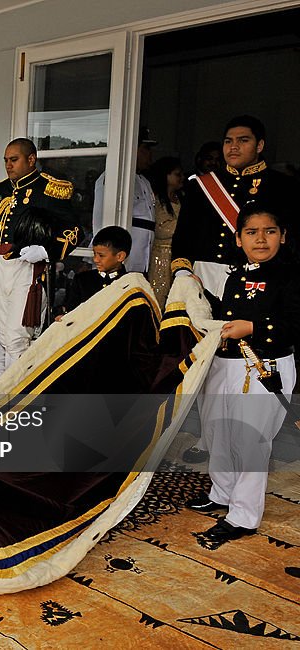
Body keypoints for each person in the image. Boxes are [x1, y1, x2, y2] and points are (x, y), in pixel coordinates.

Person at [186, 205, 299, 543]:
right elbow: (224, 312)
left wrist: (254, 327)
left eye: (269, 231)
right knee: (218, 432)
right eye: (251, 232)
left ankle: (244, 516)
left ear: (283, 236)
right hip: (225, 364)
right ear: (238, 239)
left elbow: (295, 325)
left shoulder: (291, 274)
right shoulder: (237, 273)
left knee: (250, 440)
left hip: (263, 365)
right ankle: (221, 494)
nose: (260, 239)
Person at [0, 137, 78, 376]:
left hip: (28, 269)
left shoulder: (48, 189)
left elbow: (74, 230)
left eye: (14, 159)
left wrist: (47, 251)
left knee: (18, 337)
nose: (8, 165)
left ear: (31, 159)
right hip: (0, 267)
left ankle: (16, 399)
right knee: (1, 334)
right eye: (6, 160)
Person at [171, 115, 299, 300]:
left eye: (243, 140)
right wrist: (183, 272)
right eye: (228, 141)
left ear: (259, 146)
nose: (233, 147)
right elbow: (185, 234)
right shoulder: (200, 186)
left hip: (259, 279)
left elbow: (292, 240)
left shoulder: (284, 186)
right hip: (202, 277)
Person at [92, 127, 157, 273]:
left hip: (143, 258)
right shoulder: (112, 178)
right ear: (133, 149)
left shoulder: (144, 181)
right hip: (122, 257)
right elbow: (101, 219)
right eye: (145, 149)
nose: (150, 155)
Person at [60, 226, 132, 316]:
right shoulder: (82, 280)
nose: (95, 259)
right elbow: (70, 312)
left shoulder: (130, 285)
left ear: (120, 256)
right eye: (94, 254)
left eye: (101, 255)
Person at [147, 157, 185, 307]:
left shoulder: (181, 197)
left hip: (178, 253)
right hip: (160, 255)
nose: (181, 178)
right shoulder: (155, 199)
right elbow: (160, 229)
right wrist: (184, 226)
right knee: (159, 294)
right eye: (177, 174)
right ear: (165, 176)